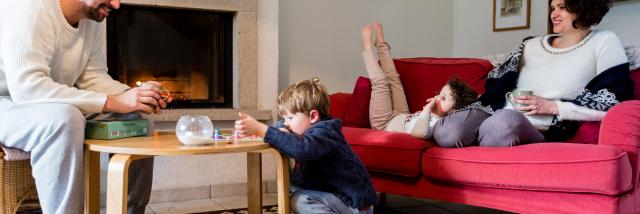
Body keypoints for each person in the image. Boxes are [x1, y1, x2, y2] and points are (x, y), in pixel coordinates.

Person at [0, 0, 172, 213]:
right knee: (64, 118)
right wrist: (113, 102)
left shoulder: (94, 17)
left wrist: (134, 96)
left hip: (49, 102)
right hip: (7, 101)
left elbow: (92, 77)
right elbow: (28, 88)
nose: (116, 4)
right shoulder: (29, 7)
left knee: (137, 116)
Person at [439, 0, 633, 147]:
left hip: (537, 126)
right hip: (499, 110)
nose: (554, 14)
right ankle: (480, 136)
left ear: (582, 7)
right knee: (448, 130)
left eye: (562, 7)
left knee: (501, 124)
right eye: (552, 8)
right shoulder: (531, 44)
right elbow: (497, 83)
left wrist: (554, 107)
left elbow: (614, 100)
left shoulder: (604, 41)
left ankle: (484, 141)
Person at [234, 78, 376, 214]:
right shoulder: (302, 128)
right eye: (284, 118)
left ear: (313, 117)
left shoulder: (326, 133)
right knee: (294, 187)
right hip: (332, 196)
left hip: (353, 204)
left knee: (301, 200)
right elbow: (282, 128)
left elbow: (303, 149)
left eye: (290, 118)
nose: (286, 123)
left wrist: (261, 129)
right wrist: (271, 131)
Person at [361, 23, 487, 143]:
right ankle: (381, 44)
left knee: (381, 82)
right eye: (440, 93)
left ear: (453, 111)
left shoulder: (438, 125)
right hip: (402, 115)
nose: (437, 98)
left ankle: (367, 48)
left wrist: (427, 111)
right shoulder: (436, 113)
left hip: (384, 123)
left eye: (443, 98)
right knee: (394, 79)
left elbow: (419, 133)